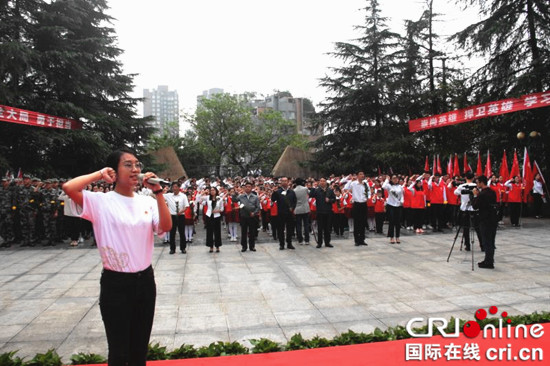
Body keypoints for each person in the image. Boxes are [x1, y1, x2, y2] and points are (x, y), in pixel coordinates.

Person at [62, 148, 172, 366]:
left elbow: (166, 227)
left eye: (137, 164)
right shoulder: (101, 202)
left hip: (145, 282)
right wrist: (99, 174)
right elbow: (69, 187)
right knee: (119, 350)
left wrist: (158, 193)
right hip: (116, 284)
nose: (135, 169)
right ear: (114, 170)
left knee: (139, 348)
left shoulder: (147, 202)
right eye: (128, 165)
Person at [472, 175, 498, 269]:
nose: (477, 184)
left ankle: (489, 262)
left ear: (482, 182)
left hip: (485, 219)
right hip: (493, 219)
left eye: (478, 182)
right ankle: (489, 259)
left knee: (486, 241)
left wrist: (475, 195)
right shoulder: (492, 192)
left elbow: (475, 206)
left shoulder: (482, 194)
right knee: (491, 241)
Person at [454, 171, 482, 251]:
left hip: (465, 209)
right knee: (477, 228)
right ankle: (482, 245)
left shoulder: (462, 186)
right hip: (474, 209)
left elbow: (455, 192)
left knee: (466, 228)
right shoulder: (476, 186)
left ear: (465, 177)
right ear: (473, 178)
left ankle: (467, 245)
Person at [309, 177, 335, 248]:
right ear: (319, 182)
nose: (322, 182)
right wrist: (313, 187)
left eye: (324, 181)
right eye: (321, 181)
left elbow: (334, 199)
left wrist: (329, 200)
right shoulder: (317, 190)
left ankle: (327, 242)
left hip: (328, 211)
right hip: (320, 212)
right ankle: (319, 242)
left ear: (326, 182)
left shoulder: (330, 190)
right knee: (320, 228)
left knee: (327, 228)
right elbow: (311, 195)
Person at [271, 177, 297, 250]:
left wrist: (293, 207)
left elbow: (295, 201)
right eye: (283, 181)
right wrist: (274, 192)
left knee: (289, 229)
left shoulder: (292, 192)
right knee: (280, 229)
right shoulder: (278, 192)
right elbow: (273, 199)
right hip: (281, 213)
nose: (284, 182)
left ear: (288, 182)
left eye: (286, 181)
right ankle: (281, 244)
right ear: (281, 182)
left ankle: (289, 243)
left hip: (289, 213)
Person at [164, 182, 189, 254]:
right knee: (172, 233)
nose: (174, 188)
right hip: (172, 216)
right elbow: (157, 196)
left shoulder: (183, 196)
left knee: (182, 232)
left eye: (175, 187)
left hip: (181, 216)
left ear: (179, 187)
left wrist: (180, 212)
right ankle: (172, 248)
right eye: (173, 187)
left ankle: (183, 248)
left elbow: (186, 206)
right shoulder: (168, 195)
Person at [346, 172, 369, 246]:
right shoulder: (354, 183)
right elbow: (346, 188)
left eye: (363, 174)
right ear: (357, 176)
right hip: (356, 204)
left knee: (363, 222)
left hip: (364, 204)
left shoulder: (365, 183)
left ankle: (362, 239)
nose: (362, 175)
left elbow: (368, 192)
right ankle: (356, 240)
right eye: (360, 174)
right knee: (357, 222)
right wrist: (350, 180)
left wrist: (366, 198)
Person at [237, 181, 260, 252]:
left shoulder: (255, 197)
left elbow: (258, 207)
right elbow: (235, 202)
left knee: (252, 232)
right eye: (246, 187)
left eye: (249, 187)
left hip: (252, 216)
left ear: (252, 188)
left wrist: (254, 213)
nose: (247, 188)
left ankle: (252, 246)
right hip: (243, 216)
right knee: (243, 232)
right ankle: (244, 246)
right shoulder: (241, 197)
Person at [382, 174, 404, 243]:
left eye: (396, 178)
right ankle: (391, 237)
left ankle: (397, 237)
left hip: (398, 205)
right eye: (393, 178)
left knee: (398, 222)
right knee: (391, 221)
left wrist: (402, 201)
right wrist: (387, 179)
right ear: (391, 179)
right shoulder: (389, 186)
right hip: (391, 205)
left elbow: (402, 195)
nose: (395, 179)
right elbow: (383, 186)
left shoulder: (400, 186)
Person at [203, 186, 223, 252]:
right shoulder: (208, 198)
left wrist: (217, 211)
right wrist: (204, 192)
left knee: (217, 231)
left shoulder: (219, 198)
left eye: (213, 190)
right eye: (211, 190)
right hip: (209, 215)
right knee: (209, 231)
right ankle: (210, 246)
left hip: (216, 216)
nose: (212, 191)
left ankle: (217, 246)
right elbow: (199, 199)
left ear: (216, 191)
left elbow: (222, 208)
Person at [293, 178, 311, 245]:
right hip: (305, 208)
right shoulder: (305, 189)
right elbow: (310, 193)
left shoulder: (294, 190)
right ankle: (307, 240)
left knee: (298, 225)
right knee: (306, 224)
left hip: (297, 208)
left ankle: (300, 240)